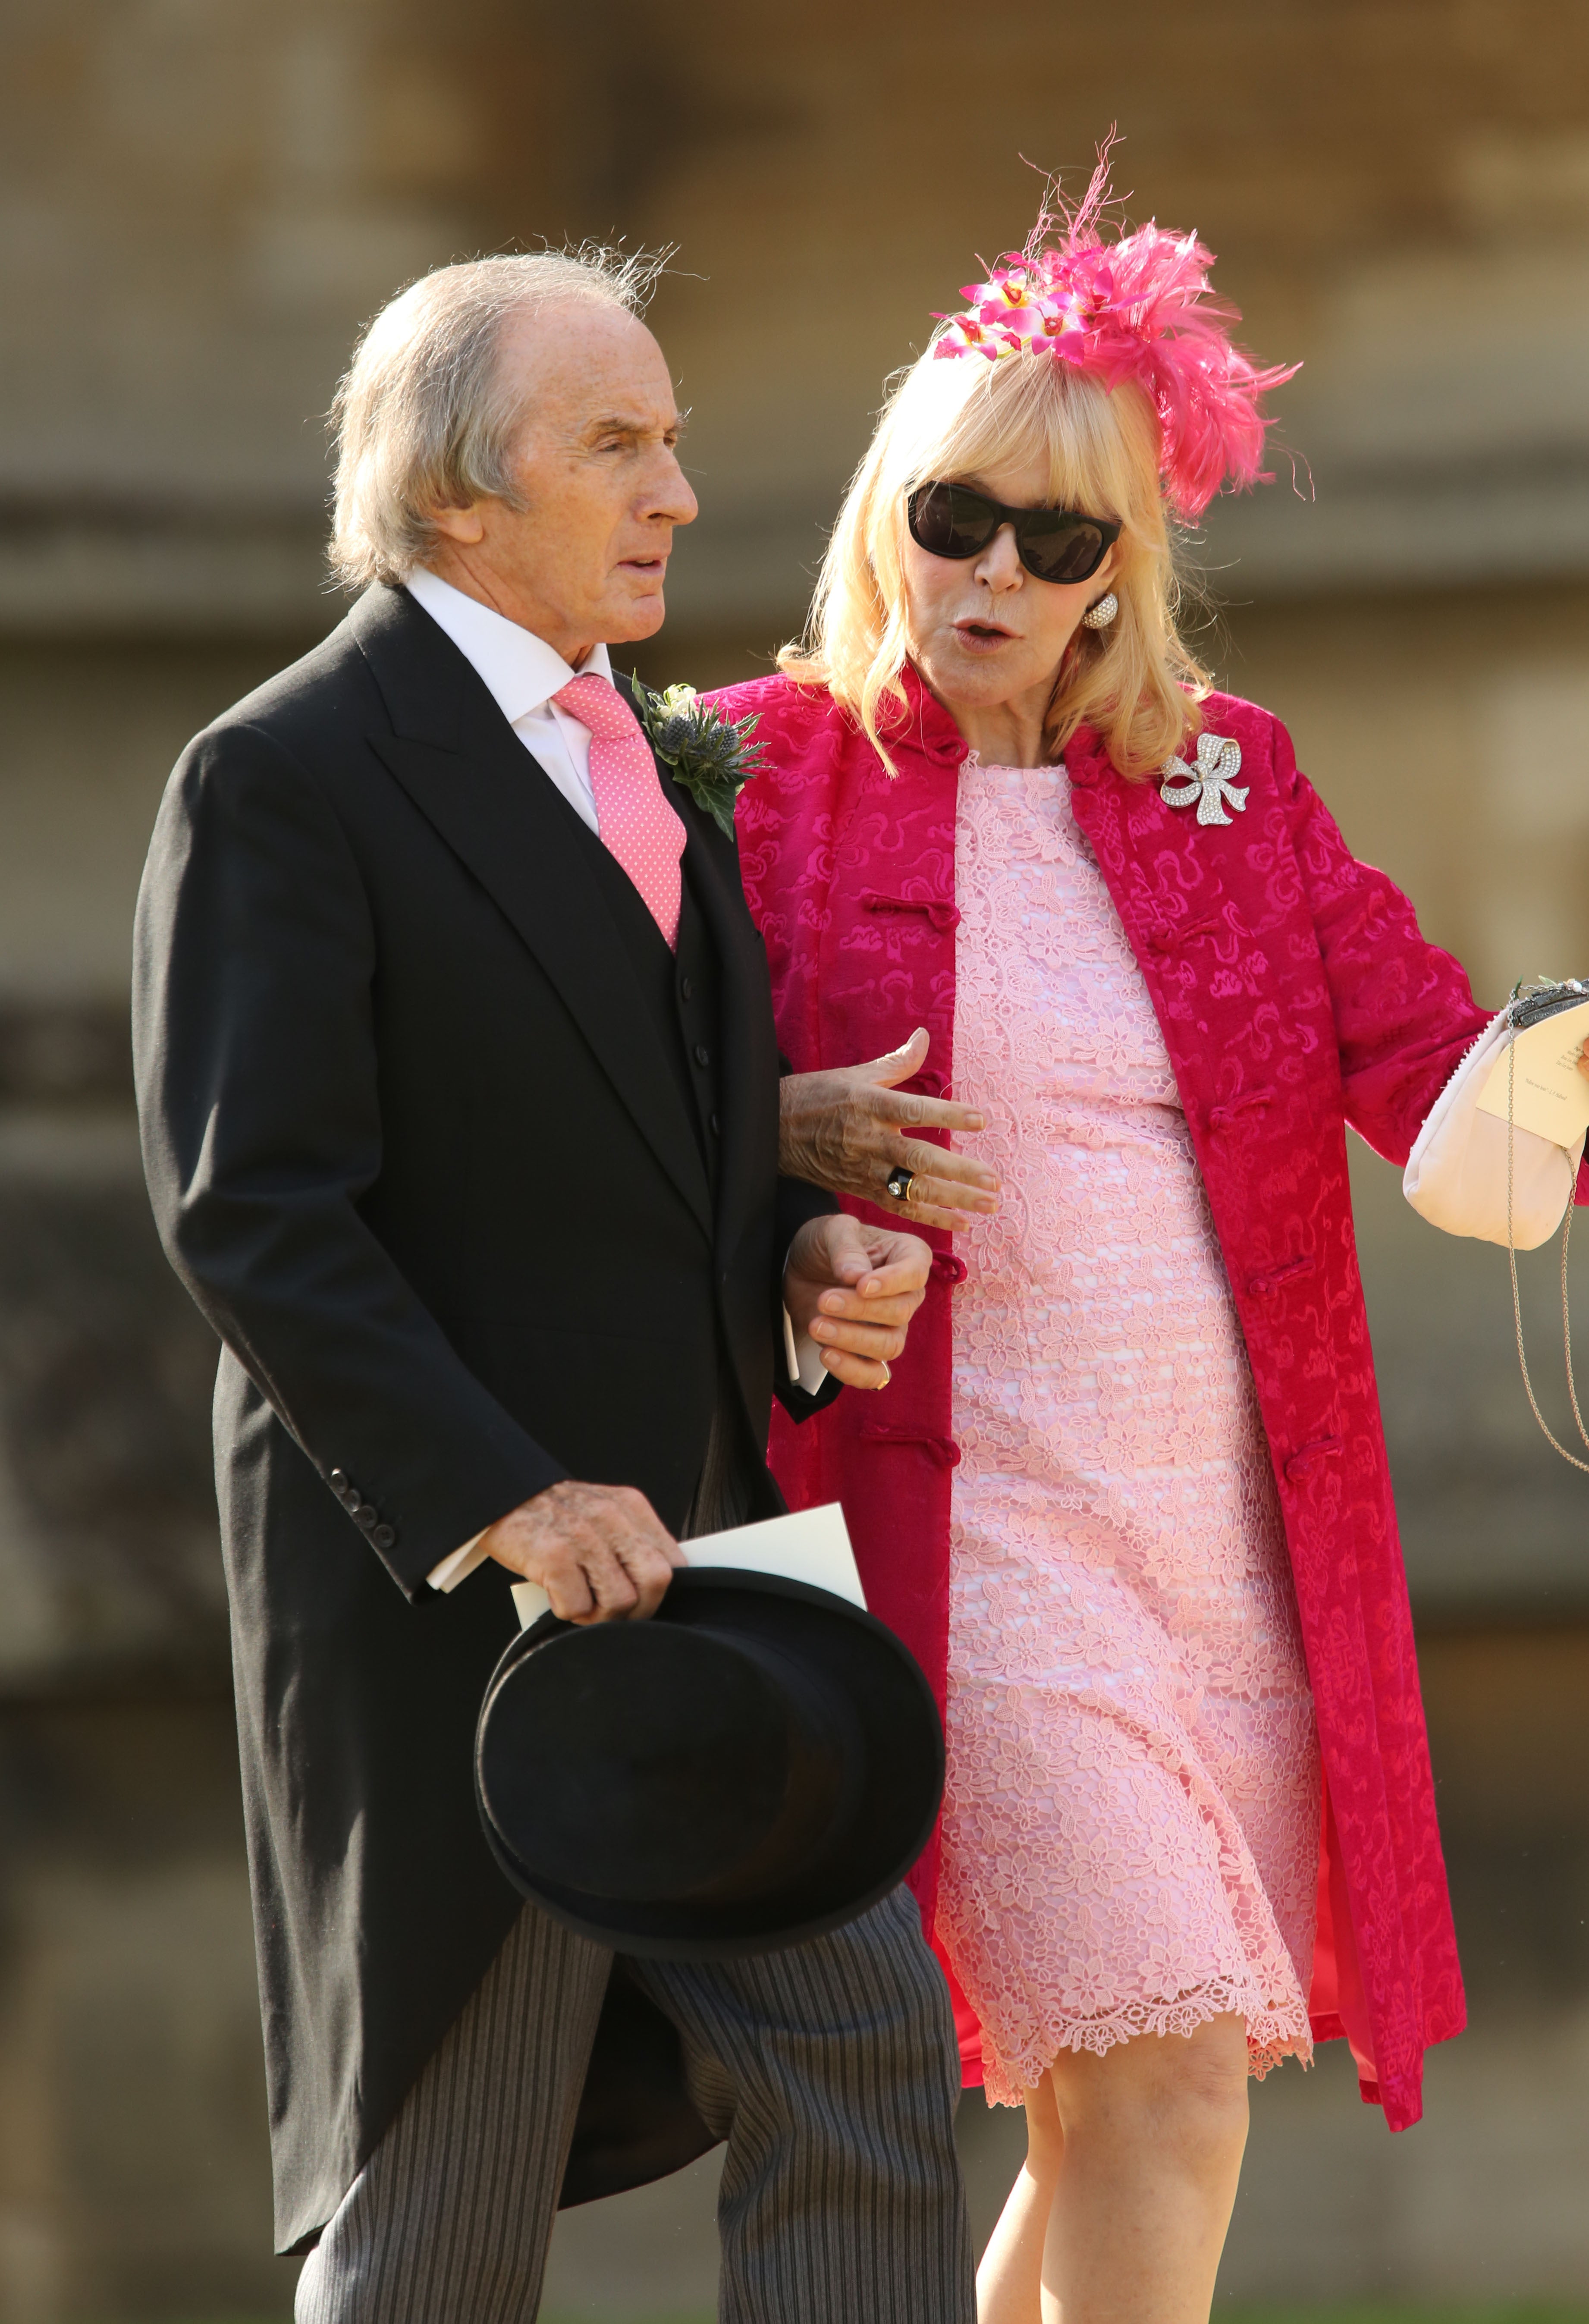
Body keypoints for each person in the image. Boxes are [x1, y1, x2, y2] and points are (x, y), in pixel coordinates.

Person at [706, 160, 1559, 2324]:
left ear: (1118, 576)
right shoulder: (751, 774)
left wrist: (1556, 1071)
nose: (992, 569)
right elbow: (602, 1107)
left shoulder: (1228, 781)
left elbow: (1438, 1071)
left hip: (1219, 1532)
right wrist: (791, 1159)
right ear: (890, 508)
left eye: (1057, 539)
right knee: (1170, 2074)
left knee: (1130, 2110)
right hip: (951, 1527)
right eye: (954, 514)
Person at [132, 247, 975, 2324]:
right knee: (445, 2199)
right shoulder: (284, 774)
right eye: (618, 444)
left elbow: (623, 1128)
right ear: (452, 502)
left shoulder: (640, 747)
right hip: (472, 1600)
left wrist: (793, 1252)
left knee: (866, 2053)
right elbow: (259, 1211)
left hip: (723, 1553)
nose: (679, 489)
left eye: (672, 437)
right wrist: (509, 1500)